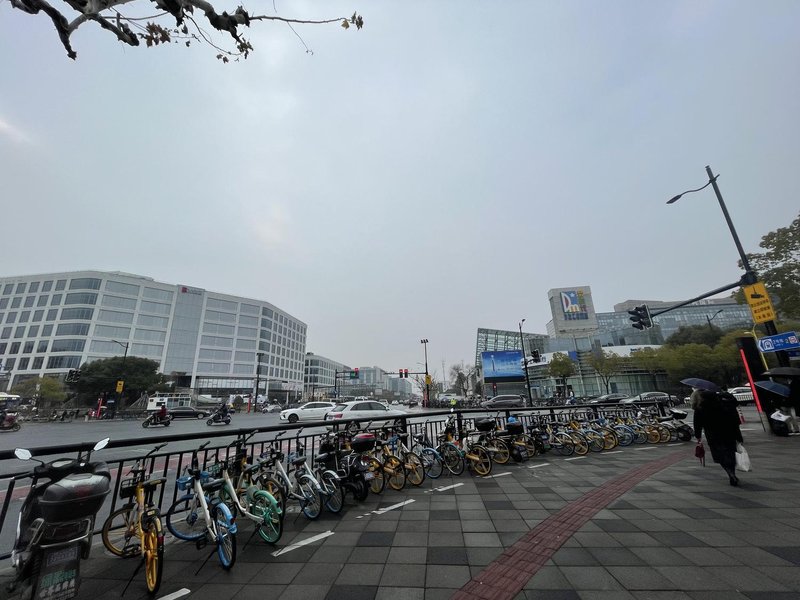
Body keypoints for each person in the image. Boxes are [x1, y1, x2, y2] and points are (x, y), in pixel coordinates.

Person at [692, 388, 743, 486]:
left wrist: (698, 436)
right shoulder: (724, 405)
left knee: (720, 455)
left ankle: (730, 473)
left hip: (713, 435)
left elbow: (697, 424)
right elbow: (734, 420)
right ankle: (732, 472)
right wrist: (738, 435)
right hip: (729, 433)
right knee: (730, 453)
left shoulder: (700, 408)